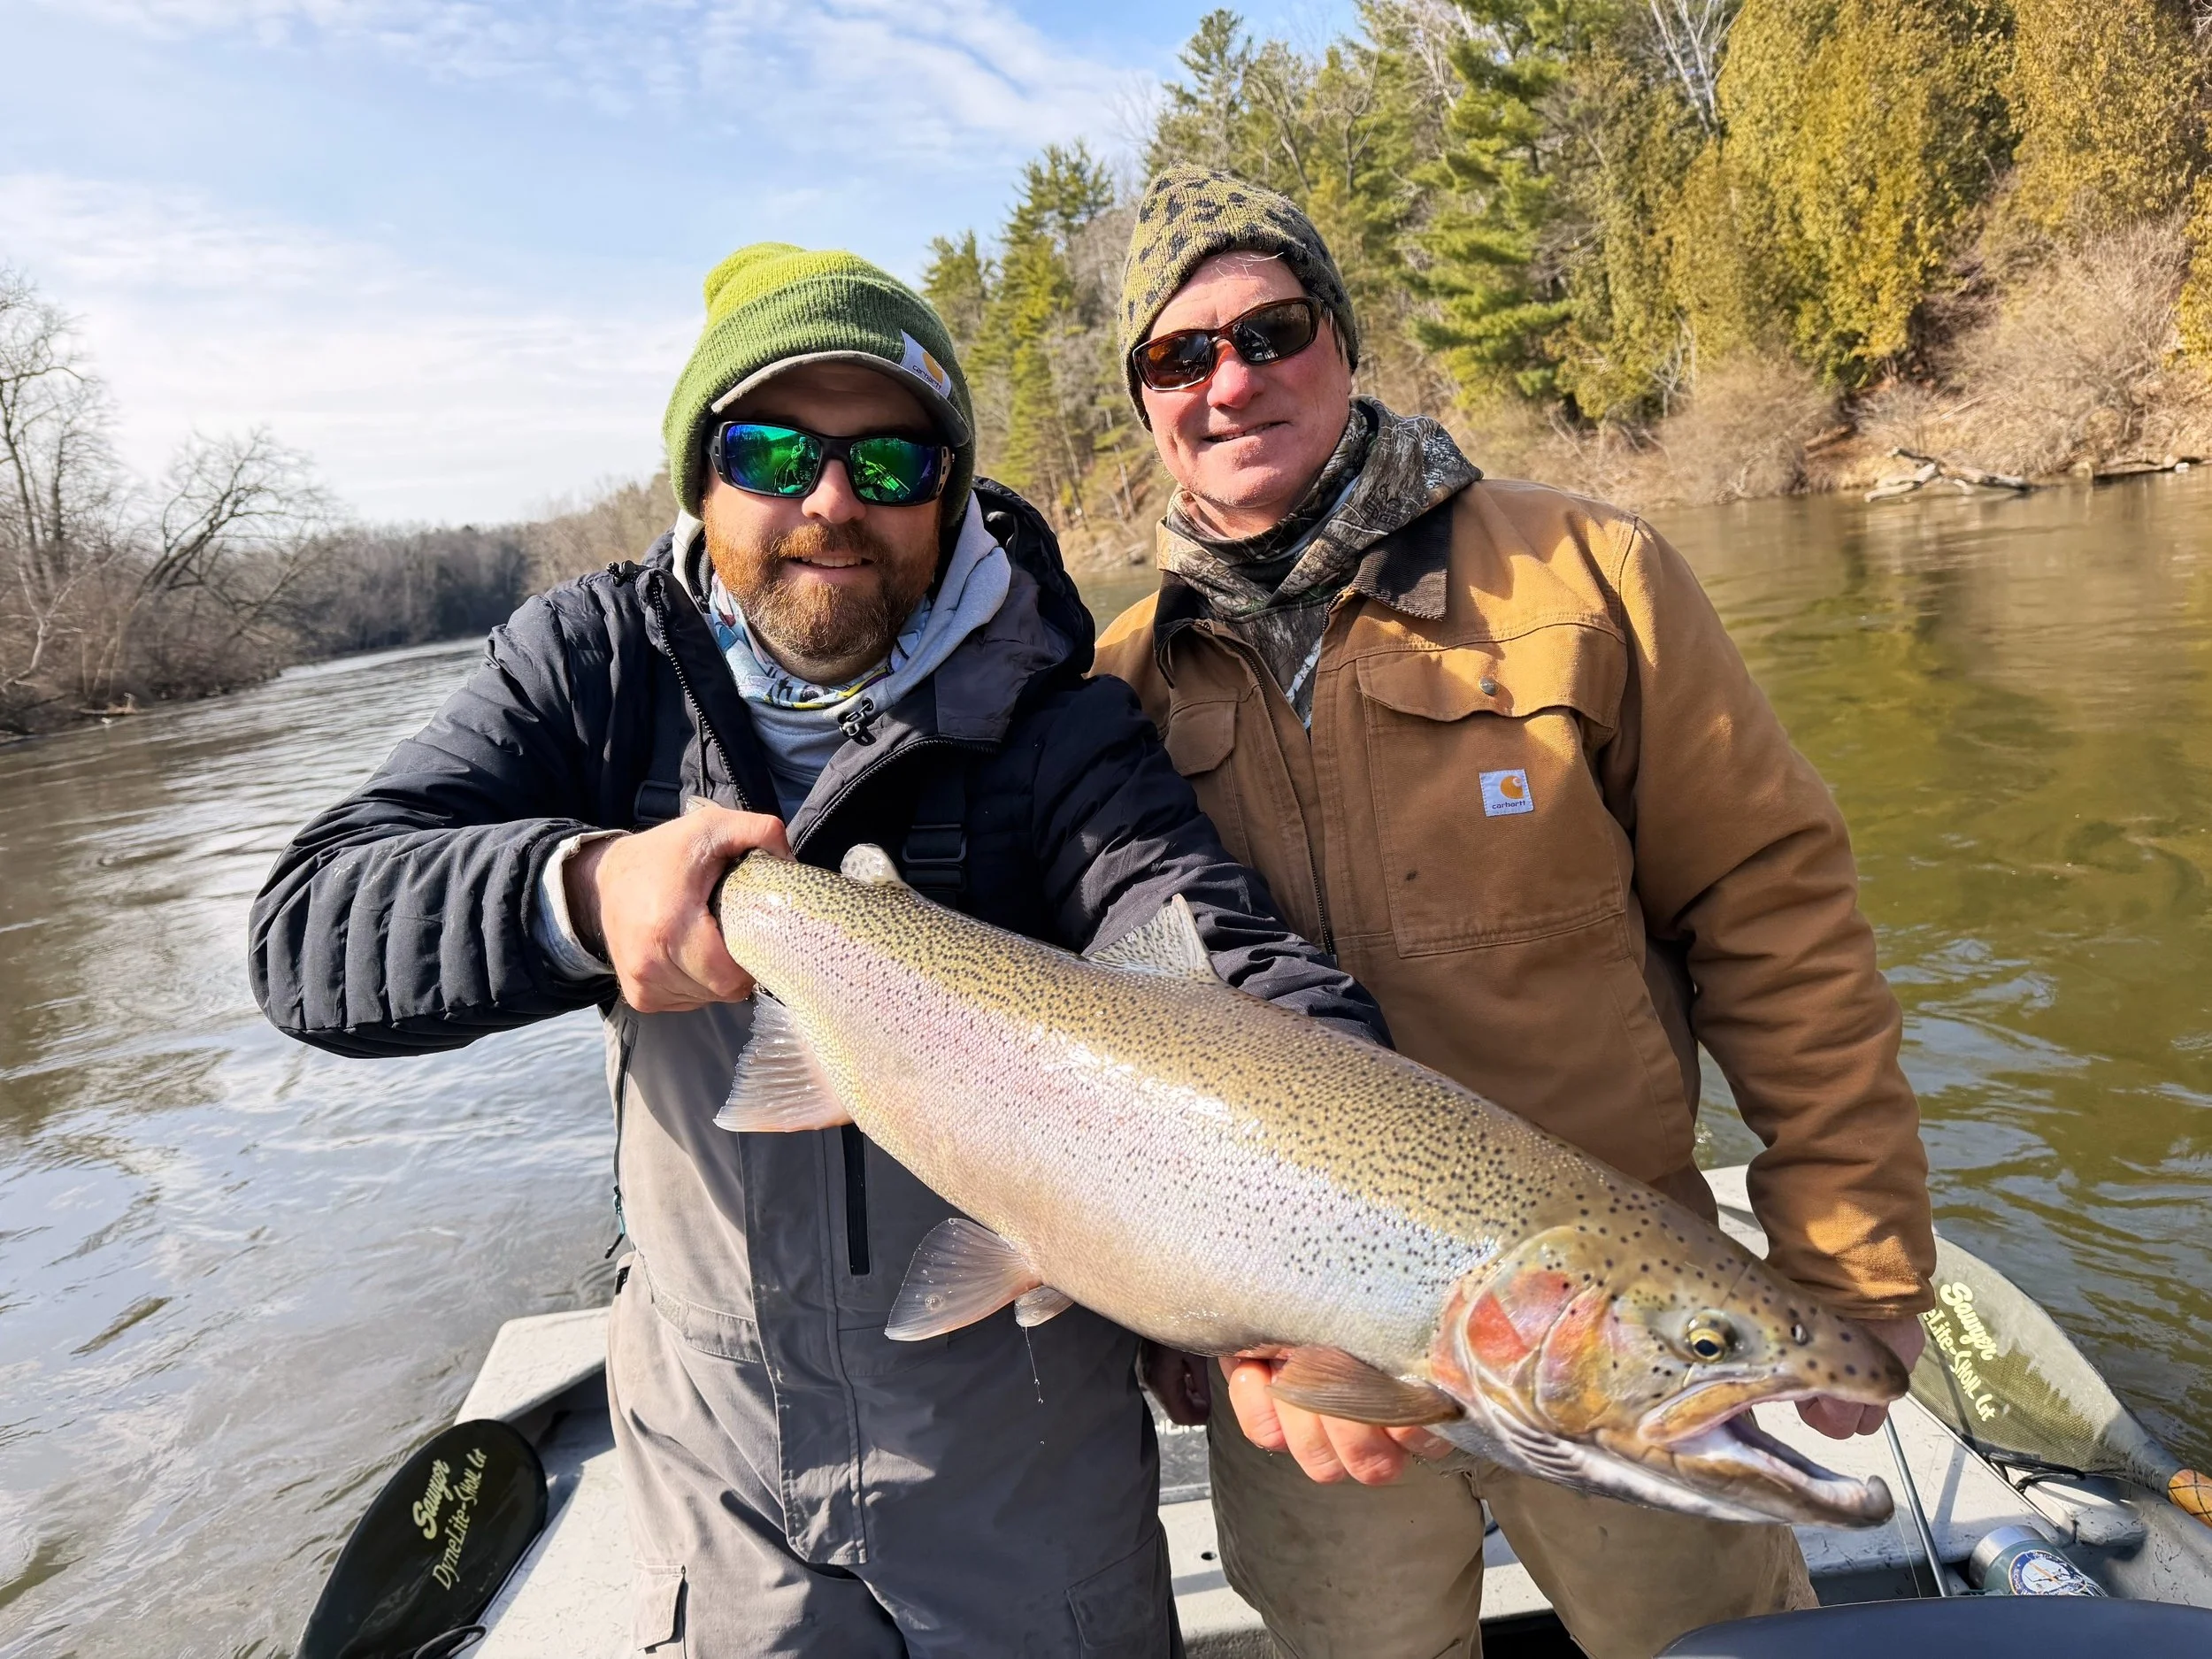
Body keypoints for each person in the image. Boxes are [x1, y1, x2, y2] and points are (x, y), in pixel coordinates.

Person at [248, 242, 1388, 1658]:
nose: (834, 502)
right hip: (724, 1490)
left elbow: (1214, 948)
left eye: (893, 464)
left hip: (1024, 1480)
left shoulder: (1050, 707)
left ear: (952, 489)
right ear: (700, 473)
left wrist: (1351, 1228)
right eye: (774, 449)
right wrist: (583, 888)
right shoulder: (592, 670)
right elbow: (310, 923)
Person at [1094, 166, 1939, 1659]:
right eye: (1180, 355)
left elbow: (1778, 920)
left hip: (1627, 1322)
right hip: (1310, 1377)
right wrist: (1189, 1336)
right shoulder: (1116, 688)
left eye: (1271, 329)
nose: (1231, 380)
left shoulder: (1593, 575)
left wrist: (1852, 1262)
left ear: (1341, 342)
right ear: (1148, 402)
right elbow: (1108, 1078)